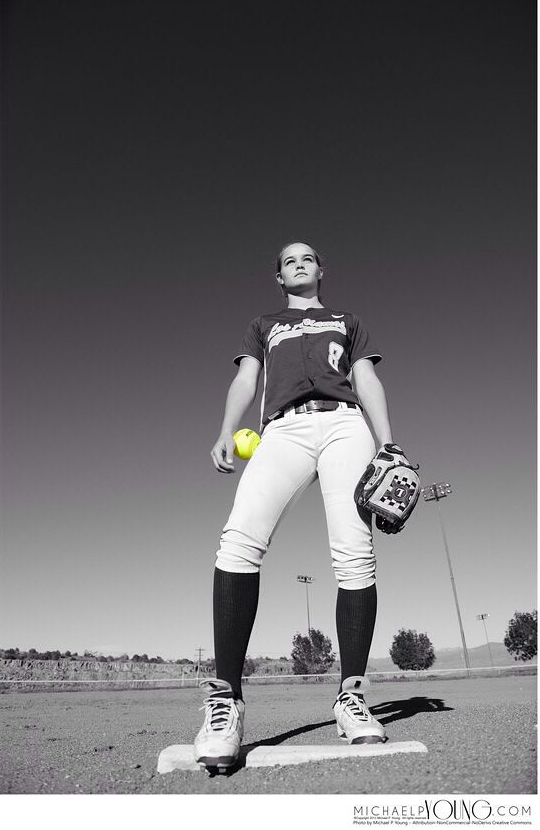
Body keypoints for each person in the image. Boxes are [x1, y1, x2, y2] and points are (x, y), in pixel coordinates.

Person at [194, 241, 394, 772]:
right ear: (279, 278)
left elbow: (367, 379)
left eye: (307, 257)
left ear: (321, 270)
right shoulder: (263, 323)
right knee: (238, 542)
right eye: (288, 261)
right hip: (281, 428)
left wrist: (387, 442)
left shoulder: (347, 320)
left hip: (345, 425)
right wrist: (224, 430)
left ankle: (351, 697)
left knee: (355, 552)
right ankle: (226, 701)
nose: (298, 263)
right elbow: (245, 378)